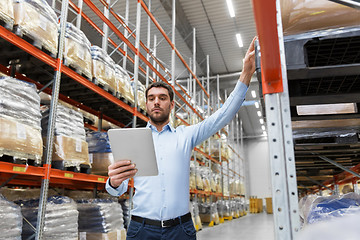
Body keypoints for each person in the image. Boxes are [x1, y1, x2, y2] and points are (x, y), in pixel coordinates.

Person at [106, 37, 256, 240]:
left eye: (162, 98)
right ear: (146, 105)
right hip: (141, 229)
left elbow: (221, 117)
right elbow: (119, 188)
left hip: (180, 229)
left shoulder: (185, 136)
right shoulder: (134, 140)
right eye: (151, 99)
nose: (156, 102)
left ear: (171, 104)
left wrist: (246, 74)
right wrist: (114, 183)